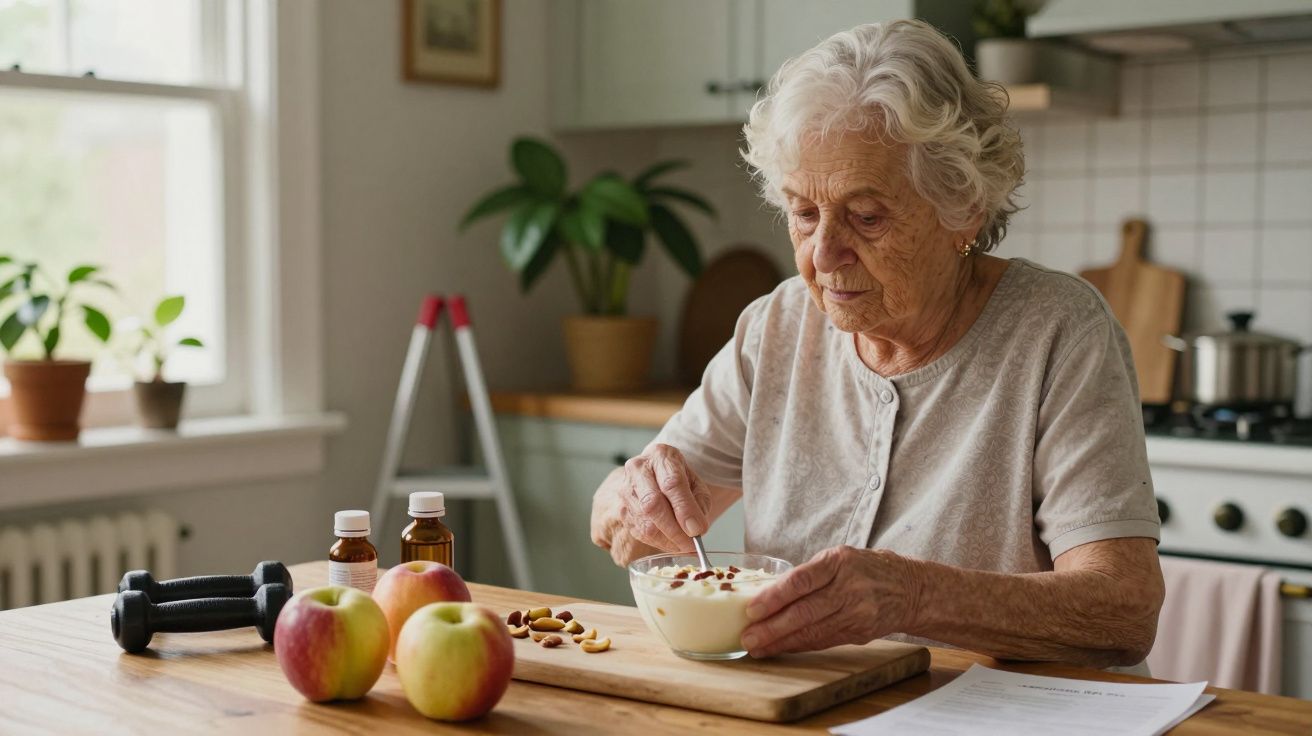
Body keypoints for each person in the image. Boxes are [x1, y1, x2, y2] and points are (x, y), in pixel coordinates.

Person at [590, 19, 1163, 671]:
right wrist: (634, 497)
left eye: (866, 217)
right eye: (803, 213)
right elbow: (613, 521)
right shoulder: (776, 327)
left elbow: (1124, 610)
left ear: (964, 209)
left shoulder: (1057, 330)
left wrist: (913, 598)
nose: (824, 254)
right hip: (806, 709)